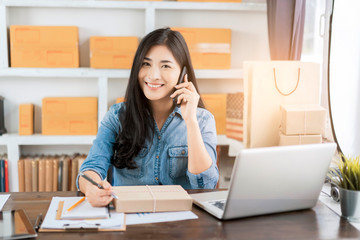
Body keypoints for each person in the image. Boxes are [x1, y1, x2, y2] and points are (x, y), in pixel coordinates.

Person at [77, 27, 219, 207]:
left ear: (183, 73)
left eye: (165, 66)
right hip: (130, 219)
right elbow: (91, 168)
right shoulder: (117, 116)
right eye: (146, 64)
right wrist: (92, 189)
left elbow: (206, 186)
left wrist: (191, 121)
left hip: (181, 222)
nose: (153, 75)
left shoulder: (203, 119)